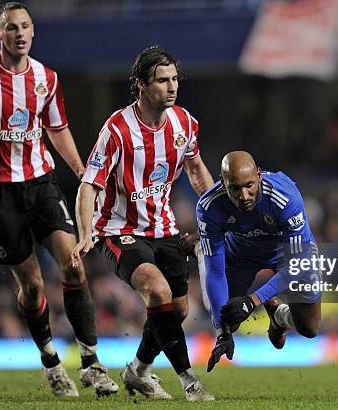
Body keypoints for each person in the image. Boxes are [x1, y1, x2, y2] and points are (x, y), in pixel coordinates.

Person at [0, 2, 117, 398]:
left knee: (75, 267)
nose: (20, 33)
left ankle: (91, 363)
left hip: (41, 183)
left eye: (26, 26)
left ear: (33, 31)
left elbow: (57, 129)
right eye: (11, 27)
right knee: (32, 286)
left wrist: (83, 171)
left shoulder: (46, 78)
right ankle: (50, 361)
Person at [71, 45, 215, 401]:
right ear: (141, 84)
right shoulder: (117, 130)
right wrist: (87, 231)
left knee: (178, 310)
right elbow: (89, 185)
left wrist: (217, 214)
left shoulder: (184, 123)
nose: (172, 87)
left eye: (175, 79)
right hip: (120, 232)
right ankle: (189, 380)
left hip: (164, 229)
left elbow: (196, 171)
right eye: (162, 80)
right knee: (159, 291)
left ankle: (137, 370)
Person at [194, 151, 322, 371]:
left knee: (309, 328)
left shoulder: (285, 197)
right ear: (223, 183)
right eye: (235, 188)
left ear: (259, 176)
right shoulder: (209, 207)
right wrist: (221, 333)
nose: (244, 195)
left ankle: (279, 315)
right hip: (241, 254)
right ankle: (270, 305)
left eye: (249, 185)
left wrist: (253, 300)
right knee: (229, 318)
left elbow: (298, 264)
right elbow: (214, 272)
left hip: (287, 254)